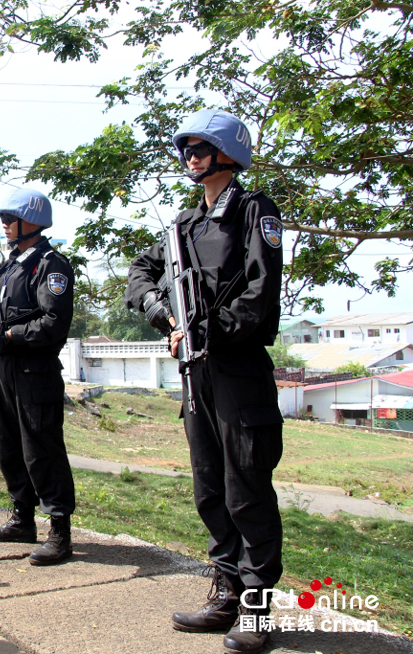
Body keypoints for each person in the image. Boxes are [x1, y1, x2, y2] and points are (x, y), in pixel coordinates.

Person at [125, 109, 283, 654]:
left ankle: (257, 609)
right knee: (209, 486)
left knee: (247, 489)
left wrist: (207, 327)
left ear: (228, 153)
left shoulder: (253, 210)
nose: (192, 156)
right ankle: (226, 591)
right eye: (187, 148)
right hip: (197, 373)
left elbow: (261, 295)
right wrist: (165, 316)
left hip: (238, 369)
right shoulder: (181, 227)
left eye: (202, 147)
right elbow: (139, 275)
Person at [0, 188, 77, 566]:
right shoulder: (4, 268)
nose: (4, 225)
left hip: (35, 371)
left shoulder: (50, 265)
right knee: (8, 448)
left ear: (32, 222)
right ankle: (21, 518)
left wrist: (10, 335)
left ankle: (59, 531)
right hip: (2, 370)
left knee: (41, 450)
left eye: (10, 219)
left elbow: (53, 322)